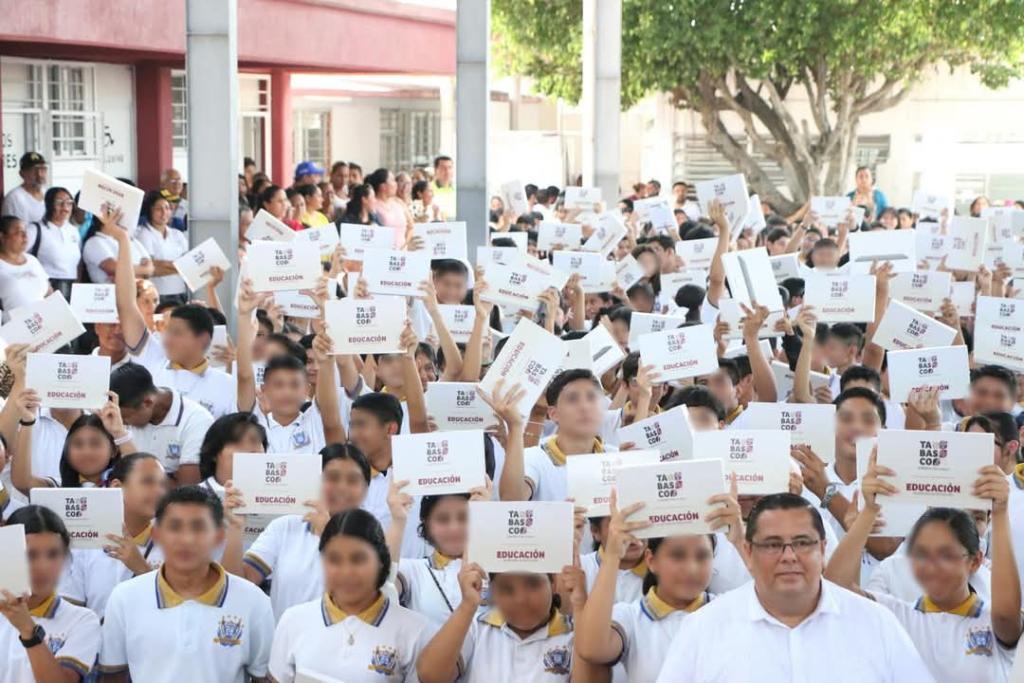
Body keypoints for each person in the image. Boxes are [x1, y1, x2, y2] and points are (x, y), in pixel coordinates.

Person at [655, 493, 933, 681]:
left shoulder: (876, 623)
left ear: (822, 549)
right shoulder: (704, 627)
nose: (789, 556)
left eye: (802, 543)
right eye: (773, 544)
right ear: (748, 552)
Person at [826, 449, 1021, 681]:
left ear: (976, 560)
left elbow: (1006, 615)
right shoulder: (897, 615)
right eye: (922, 554)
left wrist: (1000, 512)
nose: (932, 567)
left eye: (947, 555)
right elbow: (835, 589)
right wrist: (869, 510)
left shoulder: (991, 621)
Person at [97, 486, 275, 682]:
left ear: (218, 537)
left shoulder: (254, 601)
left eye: (199, 528)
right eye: (175, 527)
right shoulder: (125, 597)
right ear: (157, 535)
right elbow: (112, 676)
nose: (186, 540)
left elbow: (262, 677)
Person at [575, 485, 745, 682]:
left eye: (702, 556)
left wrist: (740, 541)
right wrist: (612, 556)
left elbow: (772, 600)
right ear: (651, 560)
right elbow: (592, 649)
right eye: (677, 555)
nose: (691, 568)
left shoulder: (726, 609)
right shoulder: (631, 618)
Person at [268, 509, 432, 682]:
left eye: (358, 559)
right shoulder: (293, 620)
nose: (346, 572)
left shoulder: (415, 630)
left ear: (381, 562)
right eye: (334, 559)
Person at [106, 207, 237, 418]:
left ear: (203, 339)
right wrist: (122, 240)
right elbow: (126, 304)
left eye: (178, 332)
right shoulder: (153, 357)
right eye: (169, 330)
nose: (167, 338)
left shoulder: (225, 382)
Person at [225, 443, 374, 620]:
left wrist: (328, 534)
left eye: (353, 480)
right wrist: (234, 529)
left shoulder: (373, 536)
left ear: (366, 489)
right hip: (285, 637)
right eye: (332, 478)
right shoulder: (285, 527)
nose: (342, 487)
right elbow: (238, 586)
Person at [59, 453, 168, 619]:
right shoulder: (84, 542)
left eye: (162, 484)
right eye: (147, 482)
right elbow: (70, 607)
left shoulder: (173, 543)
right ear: (117, 486)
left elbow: (178, 609)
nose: (159, 491)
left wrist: (141, 569)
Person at [0, 505, 101, 682]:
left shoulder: (82, 620)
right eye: (30, 555)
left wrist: (28, 630)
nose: (43, 566)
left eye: (53, 554)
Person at [109, 363, 214, 485]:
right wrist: (169, 478)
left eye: (125, 418)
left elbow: (188, 487)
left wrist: (143, 480)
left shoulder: (197, 420)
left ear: (147, 403)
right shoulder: (127, 413)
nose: (122, 423)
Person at [134, 190, 189, 305]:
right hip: (157, 295)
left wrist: (163, 265)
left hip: (181, 292)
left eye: (167, 208)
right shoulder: (144, 234)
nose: (164, 213)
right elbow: (149, 268)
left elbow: (189, 262)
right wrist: (180, 267)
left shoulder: (177, 234)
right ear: (150, 211)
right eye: (159, 209)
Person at [25, 187, 81, 299]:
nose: (65, 208)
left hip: (72, 286)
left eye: (69, 203)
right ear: (49, 205)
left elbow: (79, 263)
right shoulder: (35, 229)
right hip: (47, 288)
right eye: (59, 203)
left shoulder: (73, 230)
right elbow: (14, 254)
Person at [0, 215, 51, 320]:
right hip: (11, 326)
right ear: (2, 236)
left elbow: (49, 291)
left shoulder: (32, 260)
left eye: (25, 231)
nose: (25, 236)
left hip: (42, 324)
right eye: (19, 232)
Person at [82, 209, 153, 284]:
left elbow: (150, 268)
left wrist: (146, 271)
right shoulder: (94, 242)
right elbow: (114, 269)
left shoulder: (133, 241)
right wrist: (145, 270)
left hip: (139, 290)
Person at [366, 168, 412, 245]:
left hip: (403, 250)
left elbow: (411, 226)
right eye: (393, 180)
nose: (396, 184)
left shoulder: (399, 202)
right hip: (382, 249)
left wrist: (404, 245)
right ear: (383, 186)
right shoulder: (372, 204)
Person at [1, 152, 48, 225]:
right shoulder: (14, 198)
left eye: (42, 169)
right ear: (22, 174)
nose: (39, 174)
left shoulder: (47, 194)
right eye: (34, 170)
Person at [430, 155, 456, 219]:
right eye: (443, 168)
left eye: (450, 167)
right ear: (435, 170)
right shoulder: (429, 189)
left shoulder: (459, 189)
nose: (447, 171)